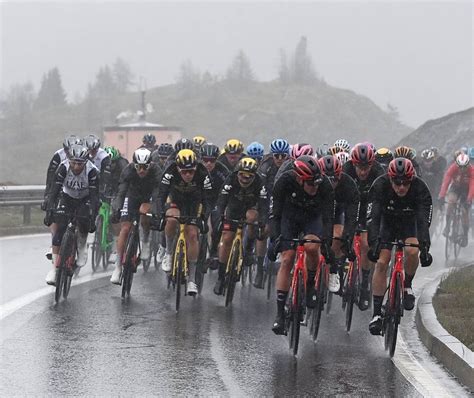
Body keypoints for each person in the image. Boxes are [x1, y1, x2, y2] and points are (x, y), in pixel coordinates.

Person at [270, 155, 335, 335]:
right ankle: (279, 314)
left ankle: (310, 284)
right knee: (287, 259)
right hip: (289, 217)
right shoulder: (284, 182)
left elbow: (329, 217)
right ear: (299, 179)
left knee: (312, 247)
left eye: (316, 184)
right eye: (310, 184)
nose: (314, 188)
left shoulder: (325, 185)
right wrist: (275, 239)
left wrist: (327, 243)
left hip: (312, 218)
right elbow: (275, 214)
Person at [366, 158, 432, 335]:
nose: (401, 187)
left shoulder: (420, 188)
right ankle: (376, 314)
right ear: (390, 179)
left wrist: (425, 247)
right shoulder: (380, 185)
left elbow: (423, 221)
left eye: (405, 183)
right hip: (386, 223)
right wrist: (373, 244)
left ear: (412, 180)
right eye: (397, 183)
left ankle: (407, 285)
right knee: (381, 262)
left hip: (409, 223)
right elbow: (373, 218)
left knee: (412, 250)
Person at [156, 149, 213, 295]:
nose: (188, 175)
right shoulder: (170, 171)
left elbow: (208, 199)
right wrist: (160, 215)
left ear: (196, 168)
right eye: (184, 172)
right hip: (175, 201)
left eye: (191, 172)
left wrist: (203, 219)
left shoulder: (203, 173)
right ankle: (168, 254)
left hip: (194, 203)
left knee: (193, 234)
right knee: (171, 219)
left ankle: (192, 279)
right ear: (177, 168)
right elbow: (161, 194)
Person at [43, 144, 99, 285]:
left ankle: (81, 247)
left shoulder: (92, 172)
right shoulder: (63, 167)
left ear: (85, 162)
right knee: (60, 228)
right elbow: (54, 191)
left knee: (83, 222)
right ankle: (54, 270)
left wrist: (92, 217)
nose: (76, 166)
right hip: (67, 197)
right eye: (73, 162)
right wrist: (50, 210)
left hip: (84, 199)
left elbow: (94, 197)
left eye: (79, 163)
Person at [213, 157, 268, 295]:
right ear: (237, 173)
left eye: (249, 177)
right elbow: (221, 201)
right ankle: (220, 277)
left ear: (254, 176)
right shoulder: (230, 180)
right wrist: (220, 217)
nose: (244, 179)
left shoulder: (260, 183)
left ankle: (248, 249)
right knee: (226, 239)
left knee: (252, 217)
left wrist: (262, 221)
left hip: (251, 207)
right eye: (242, 175)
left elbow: (264, 205)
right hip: (234, 208)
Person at [342, 143, 385, 311]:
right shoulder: (346, 169)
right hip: (350, 205)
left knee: (366, 244)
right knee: (341, 236)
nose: (363, 171)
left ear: (372, 164)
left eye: (366, 166)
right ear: (353, 163)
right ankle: (339, 269)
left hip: (369, 206)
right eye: (359, 166)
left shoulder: (379, 173)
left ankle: (365, 283)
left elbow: (379, 201)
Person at [110, 148, 161, 284]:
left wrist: (155, 210)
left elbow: (158, 194)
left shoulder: (156, 171)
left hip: (148, 197)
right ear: (134, 165)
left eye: (145, 167)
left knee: (144, 214)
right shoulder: (128, 170)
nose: (142, 171)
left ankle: (145, 241)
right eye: (138, 167)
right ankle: (118, 266)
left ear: (150, 165)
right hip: (131, 196)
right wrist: (117, 208)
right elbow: (121, 192)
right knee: (125, 229)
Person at [253, 138, 291, 288]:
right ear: (272, 155)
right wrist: (263, 215)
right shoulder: (265, 166)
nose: (280, 159)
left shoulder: (290, 166)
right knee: (265, 230)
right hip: (266, 198)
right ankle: (260, 269)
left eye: (283, 156)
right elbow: (260, 191)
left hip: (285, 200)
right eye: (277, 156)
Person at [319, 155, 360, 292]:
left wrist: (347, 238)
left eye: (335, 179)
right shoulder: (313, 182)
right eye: (327, 178)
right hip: (316, 213)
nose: (331, 183)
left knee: (337, 237)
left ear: (340, 175)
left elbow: (351, 216)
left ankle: (334, 271)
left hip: (337, 213)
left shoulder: (348, 185)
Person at [42, 134, 82, 260]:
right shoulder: (58, 155)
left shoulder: (82, 156)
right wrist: (48, 195)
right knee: (55, 212)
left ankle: (79, 243)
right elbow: (51, 176)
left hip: (79, 189)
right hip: (61, 185)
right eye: (66, 150)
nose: (67, 153)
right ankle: (54, 241)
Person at [200, 143, 230, 260]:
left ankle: (213, 251)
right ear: (201, 159)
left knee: (217, 225)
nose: (208, 163)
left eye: (212, 161)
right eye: (205, 160)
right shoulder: (196, 169)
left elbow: (229, 187)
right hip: (201, 199)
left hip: (217, 200)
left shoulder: (222, 171)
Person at [438, 153, 474, 247]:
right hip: (456, 187)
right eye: (460, 167)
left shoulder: (471, 170)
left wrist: (469, 199)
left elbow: (472, 186)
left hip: (466, 190)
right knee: (450, 202)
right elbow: (446, 181)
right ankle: (447, 227)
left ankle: (465, 235)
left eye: (464, 167)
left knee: (464, 211)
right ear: (457, 164)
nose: (462, 169)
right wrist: (441, 196)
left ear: (467, 165)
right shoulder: (453, 167)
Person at [84, 134, 111, 200]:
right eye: (89, 150)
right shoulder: (82, 153)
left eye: (94, 150)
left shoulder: (104, 156)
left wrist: (101, 189)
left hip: (98, 178)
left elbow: (106, 176)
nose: (92, 152)